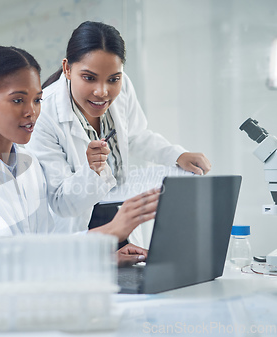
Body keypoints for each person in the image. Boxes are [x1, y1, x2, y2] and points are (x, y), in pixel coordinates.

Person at [0, 45, 160, 282]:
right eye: (18, 100)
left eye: (37, 100)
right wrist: (107, 232)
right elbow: (0, 255)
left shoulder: (30, 166)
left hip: (31, 294)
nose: (32, 112)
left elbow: (46, 246)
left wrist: (101, 258)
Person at [26, 21, 211, 239]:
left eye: (113, 79)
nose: (102, 92)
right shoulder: (43, 113)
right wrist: (92, 171)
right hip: (78, 232)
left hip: (120, 218)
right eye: (89, 78)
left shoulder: (124, 87)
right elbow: (60, 203)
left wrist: (177, 154)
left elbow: (136, 135)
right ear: (67, 68)